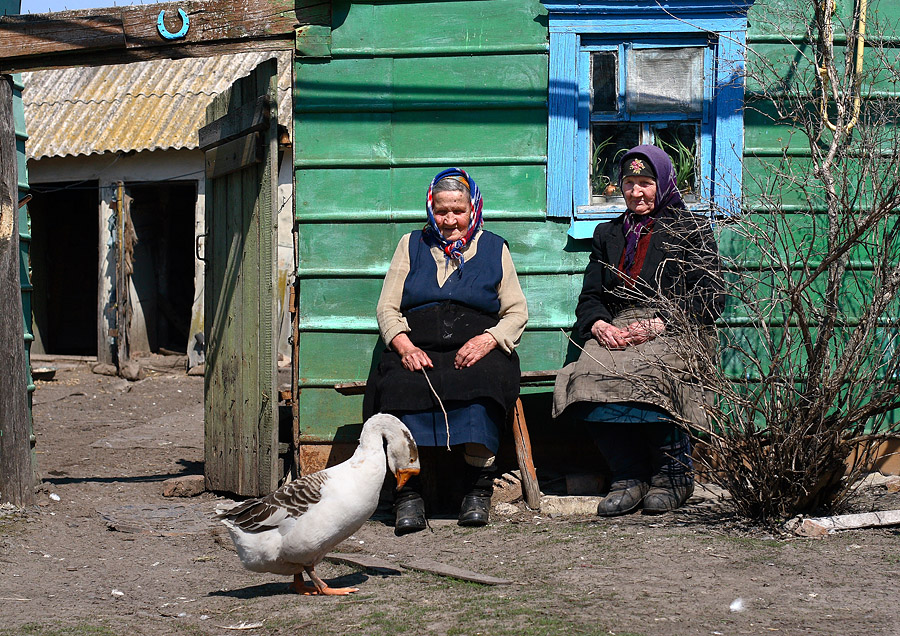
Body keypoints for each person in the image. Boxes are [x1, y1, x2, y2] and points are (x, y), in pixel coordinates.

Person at [553, 144, 725, 516]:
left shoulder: (690, 229)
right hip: (619, 328)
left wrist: (662, 321)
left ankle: (672, 476)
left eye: (645, 182)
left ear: (662, 184)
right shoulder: (608, 233)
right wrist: (598, 324)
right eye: (629, 183)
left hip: (676, 326)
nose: (636, 192)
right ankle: (628, 476)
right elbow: (591, 296)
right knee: (586, 375)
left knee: (653, 375)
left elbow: (711, 294)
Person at [364, 168, 528, 534]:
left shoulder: (494, 247)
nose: (450, 219)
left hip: (475, 349)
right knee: (399, 389)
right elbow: (387, 308)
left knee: (484, 384)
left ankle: (477, 490)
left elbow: (516, 310)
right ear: (430, 209)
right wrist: (404, 346)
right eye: (442, 211)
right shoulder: (410, 245)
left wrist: (488, 339)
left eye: (458, 210)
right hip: (417, 347)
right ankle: (408, 494)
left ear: (473, 209)